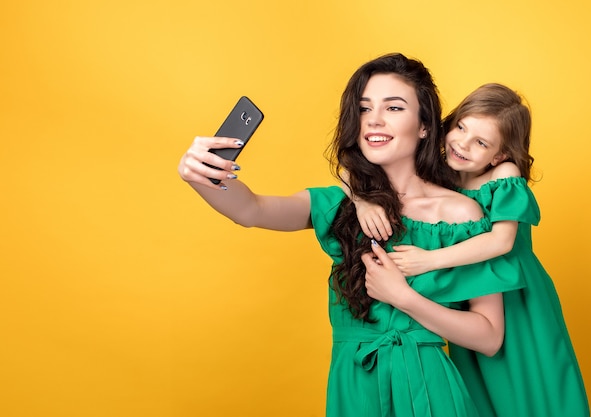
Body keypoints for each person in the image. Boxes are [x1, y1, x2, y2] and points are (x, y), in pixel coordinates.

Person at [178, 54, 524, 417]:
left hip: (430, 394)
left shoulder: (462, 216)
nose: (374, 119)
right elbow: (251, 210)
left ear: (424, 125)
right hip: (353, 392)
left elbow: (488, 336)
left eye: (393, 107)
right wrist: (201, 175)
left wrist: (405, 299)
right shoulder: (339, 204)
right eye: (363, 108)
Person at [350, 83, 589, 417]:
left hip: (516, 297)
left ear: (500, 155)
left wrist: (430, 260)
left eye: (481, 142)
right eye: (461, 127)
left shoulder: (504, 174)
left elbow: (501, 242)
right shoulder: (445, 172)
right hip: (472, 294)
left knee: (531, 387)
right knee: (481, 391)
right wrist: (361, 201)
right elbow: (353, 165)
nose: (462, 144)